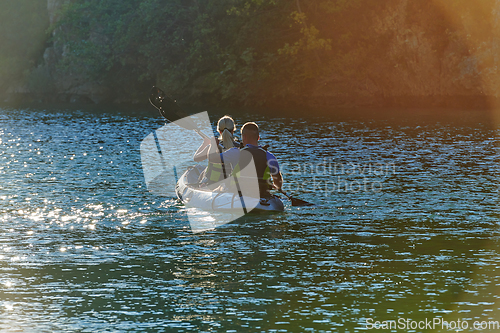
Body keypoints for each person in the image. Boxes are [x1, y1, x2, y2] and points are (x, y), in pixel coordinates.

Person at [207, 122, 283, 198]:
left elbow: (212, 158)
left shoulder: (235, 152)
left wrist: (213, 145)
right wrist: (276, 187)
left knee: (222, 185)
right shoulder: (270, 156)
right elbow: (278, 181)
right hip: (262, 194)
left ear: (244, 137)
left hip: (237, 194)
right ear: (258, 137)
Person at [193, 115, 241, 185]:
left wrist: (205, 143)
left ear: (219, 131)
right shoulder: (239, 148)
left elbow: (196, 158)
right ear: (233, 130)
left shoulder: (212, 147)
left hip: (211, 184)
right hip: (229, 184)